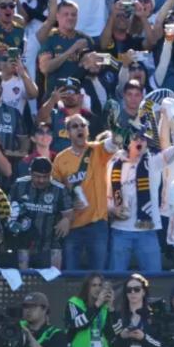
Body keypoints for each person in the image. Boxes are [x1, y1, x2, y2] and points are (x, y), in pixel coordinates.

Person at [108, 117, 174, 273]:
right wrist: (112, 210)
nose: (140, 141)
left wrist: (170, 118)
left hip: (147, 231)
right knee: (115, 280)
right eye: (136, 137)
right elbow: (107, 195)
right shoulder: (114, 163)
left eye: (143, 138)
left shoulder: (154, 161)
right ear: (129, 141)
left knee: (153, 280)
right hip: (120, 231)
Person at [51, 114, 118, 270]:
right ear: (67, 133)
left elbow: (115, 142)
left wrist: (115, 126)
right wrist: (67, 210)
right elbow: (56, 193)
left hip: (97, 224)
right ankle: (74, 296)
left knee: (98, 273)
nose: (80, 129)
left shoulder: (98, 149)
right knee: (71, 276)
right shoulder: (61, 159)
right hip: (73, 225)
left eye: (83, 125)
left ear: (88, 130)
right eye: (75, 126)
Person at [7, 156, 72, 270]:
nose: (41, 180)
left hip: (48, 246)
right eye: (37, 176)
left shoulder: (59, 190)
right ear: (30, 173)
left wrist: (66, 220)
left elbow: (69, 212)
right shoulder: (19, 185)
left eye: (45, 177)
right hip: (23, 244)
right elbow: (8, 209)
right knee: (24, 280)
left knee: (48, 283)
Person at [0, 292, 68, 347]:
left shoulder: (56, 334)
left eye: (33, 306)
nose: (28, 310)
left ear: (44, 309)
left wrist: (30, 338)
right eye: (25, 306)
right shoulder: (16, 329)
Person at [109, 273, 163, 347]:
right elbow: (110, 346)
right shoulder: (118, 316)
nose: (132, 292)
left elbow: (160, 346)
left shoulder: (153, 317)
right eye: (129, 290)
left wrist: (143, 337)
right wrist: (122, 336)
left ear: (143, 292)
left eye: (137, 289)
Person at [65, 273, 114, 347]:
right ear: (87, 287)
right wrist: (97, 305)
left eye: (100, 285)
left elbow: (112, 334)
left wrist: (111, 307)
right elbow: (78, 324)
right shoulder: (74, 303)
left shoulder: (105, 307)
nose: (97, 289)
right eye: (93, 285)